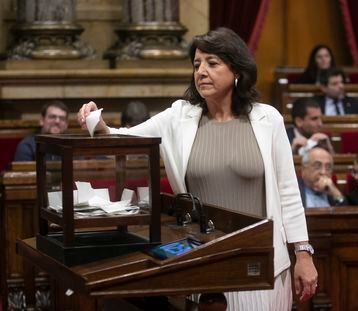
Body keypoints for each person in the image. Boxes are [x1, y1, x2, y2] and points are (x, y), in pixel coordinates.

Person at [78, 27, 317, 310]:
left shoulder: (269, 119)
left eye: (212, 63)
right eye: (196, 64)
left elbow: (288, 191)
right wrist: (95, 121)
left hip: (260, 264)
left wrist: (303, 254)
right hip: (204, 263)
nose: (201, 71)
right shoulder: (178, 117)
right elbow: (120, 137)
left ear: (237, 70)